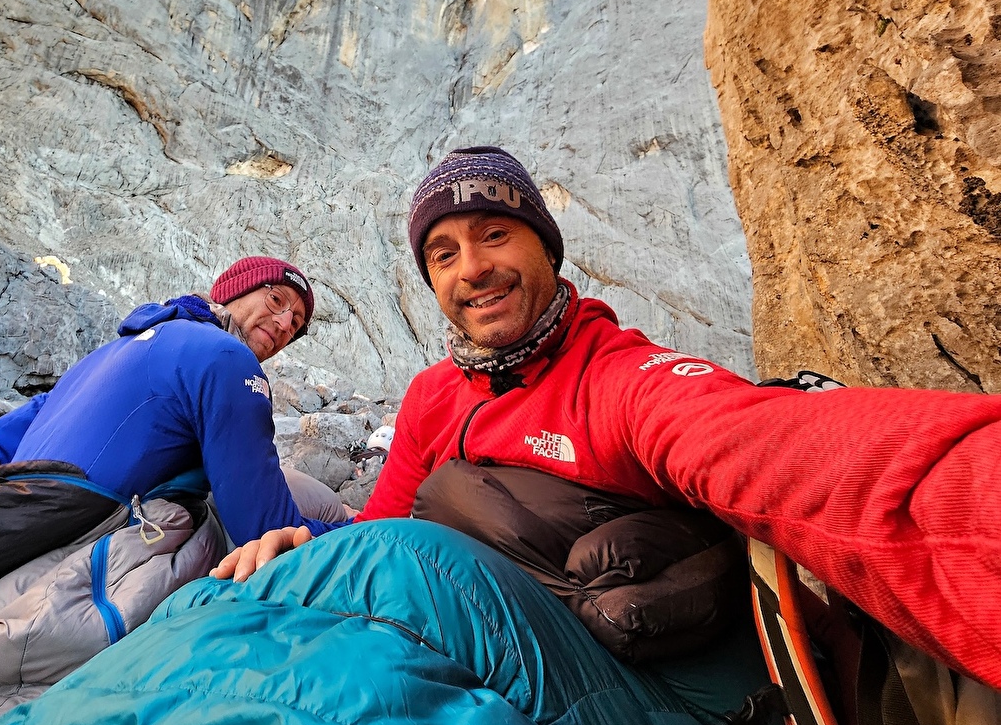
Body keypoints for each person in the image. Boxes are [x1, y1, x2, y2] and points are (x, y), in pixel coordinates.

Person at [215, 146, 1001, 692]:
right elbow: (382, 522)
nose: (473, 267)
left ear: (546, 249)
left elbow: (778, 450)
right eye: (444, 253)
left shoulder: (615, 375)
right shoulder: (433, 396)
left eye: (495, 233)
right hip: (464, 662)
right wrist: (312, 544)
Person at [0, 255, 349, 545]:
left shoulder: (105, 356)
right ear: (234, 292)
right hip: (72, 545)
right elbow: (266, 530)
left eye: (295, 324)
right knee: (326, 510)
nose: (282, 324)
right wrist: (362, 535)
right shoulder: (228, 359)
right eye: (276, 300)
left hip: (13, 518)